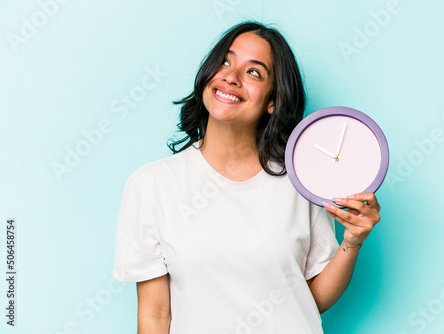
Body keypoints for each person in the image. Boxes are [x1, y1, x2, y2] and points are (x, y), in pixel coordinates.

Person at [113, 21, 381, 334]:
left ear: (272, 101)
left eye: (254, 72)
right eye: (225, 62)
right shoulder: (151, 185)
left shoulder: (301, 181)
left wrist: (353, 241)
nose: (231, 76)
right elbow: (155, 316)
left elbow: (310, 299)